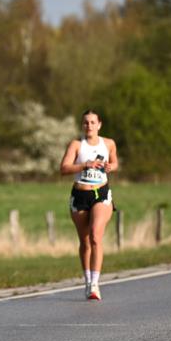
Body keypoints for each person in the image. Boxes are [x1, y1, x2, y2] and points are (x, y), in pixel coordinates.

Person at [60, 110, 119, 301]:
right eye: (86, 123)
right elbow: (64, 168)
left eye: (93, 122)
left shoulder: (108, 143)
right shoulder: (77, 145)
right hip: (80, 195)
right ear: (82, 125)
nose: (89, 126)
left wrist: (111, 167)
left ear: (99, 125)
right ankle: (87, 280)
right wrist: (85, 165)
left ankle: (95, 283)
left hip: (100, 194)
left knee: (95, 236)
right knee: (85, 242)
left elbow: (114, 161)